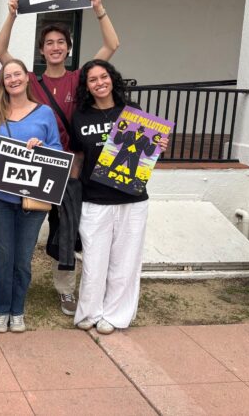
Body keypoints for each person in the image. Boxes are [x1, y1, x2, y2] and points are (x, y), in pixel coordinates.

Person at [0, 0, 120, 316]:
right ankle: (10, 283)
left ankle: (65, 290)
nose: (54, 47)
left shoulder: (80, 77)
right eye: (48, 43)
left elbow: (112, 44)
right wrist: (12, 15)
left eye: (60, 43)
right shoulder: (31, 81)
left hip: (72, 167)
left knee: (68, 228)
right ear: (41, 50)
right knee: (29, 221)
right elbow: (1, 52)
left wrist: (98, 6)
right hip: (37, 166)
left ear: (68, 48)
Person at [70, 60, 167, 335]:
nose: (99, 83)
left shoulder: (132, 111)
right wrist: (71, 191)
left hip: (132, 199)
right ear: (86, 86)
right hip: (93, 199)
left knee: (125, 260)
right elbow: (78, 156)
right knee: (93, 260)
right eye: (92, 79)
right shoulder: (80, 116)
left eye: (104, 77)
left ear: (112, 79)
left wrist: (159, 147)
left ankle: (115, 315)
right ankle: (89, 311)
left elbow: (145, 155)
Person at [0, 59, 61, 332]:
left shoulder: (45, 113)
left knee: (23, 259)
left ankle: (18, 310)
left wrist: (42, 148)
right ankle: (2, 310)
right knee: (4, 257)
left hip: (32, 200)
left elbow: (57, 150)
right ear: (3, 82)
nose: (12, 79)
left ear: (27, 78)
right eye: (7, 75)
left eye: (17, 74)